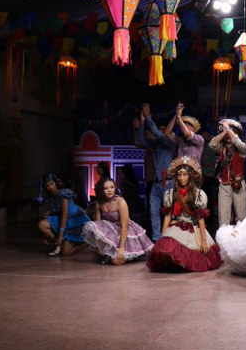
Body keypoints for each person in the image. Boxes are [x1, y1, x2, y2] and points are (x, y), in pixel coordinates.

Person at [147, 156, 222, 272]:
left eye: (185, 175)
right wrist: (162, 238)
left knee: (197, 255)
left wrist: (203, 240)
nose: (182, 178)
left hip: (193, 227)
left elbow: (200, 218)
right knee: (168, 247)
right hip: (176, 226)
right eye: (179, 175)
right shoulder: (171, 193)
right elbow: (167, 216)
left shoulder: (197, 194)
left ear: (190, 176)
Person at [82, 177, 153, 265]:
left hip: (124, 230)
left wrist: (122, 247)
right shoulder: (99, 203)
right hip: (111, 230)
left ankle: (129, 255)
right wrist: (99, 246)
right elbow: (98, 225)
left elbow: (125, 226)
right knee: (99, 250)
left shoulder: (120, 202)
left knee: (115, 261)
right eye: (106, 188)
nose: (109, 190)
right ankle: (109, 254)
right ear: (101, 190)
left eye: (112, 187)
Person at [135, 103, 176, 241]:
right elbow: (141, 139)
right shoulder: (156, 144)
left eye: (165, 130)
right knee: (153, 211)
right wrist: (142, 123)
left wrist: (148, 117)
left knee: (169, 212)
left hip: (168, 181)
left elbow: (158, 134)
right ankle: (156, 239)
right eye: (161, 130)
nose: (162, 132)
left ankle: (171, 238)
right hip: (157, 181)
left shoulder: (169, 143)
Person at [37, 173, 90, 256]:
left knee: (66, 252)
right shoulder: (50, 197)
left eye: (52, 184)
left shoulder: (63, 193)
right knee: (42, 224)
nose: (51, 187)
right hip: (63, 219)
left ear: (55, 183)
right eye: (47, 186)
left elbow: (65, 214)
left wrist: (60, 235)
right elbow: (56, 211)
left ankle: (88, 242)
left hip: (75, 221)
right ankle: (58, 243)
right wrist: (48, 236)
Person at [209, 119, 246, 226]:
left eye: (231, 131)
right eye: (227, 132)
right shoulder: (221, 148)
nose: (228, 135)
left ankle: (241, 236)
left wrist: (228, 128)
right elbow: (211, 144)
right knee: (223, 218)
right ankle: (224, 236)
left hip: (238, 185)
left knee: (241, 217)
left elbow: (237, 142)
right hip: (224, 186)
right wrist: (224, 131)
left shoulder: (242, 148)